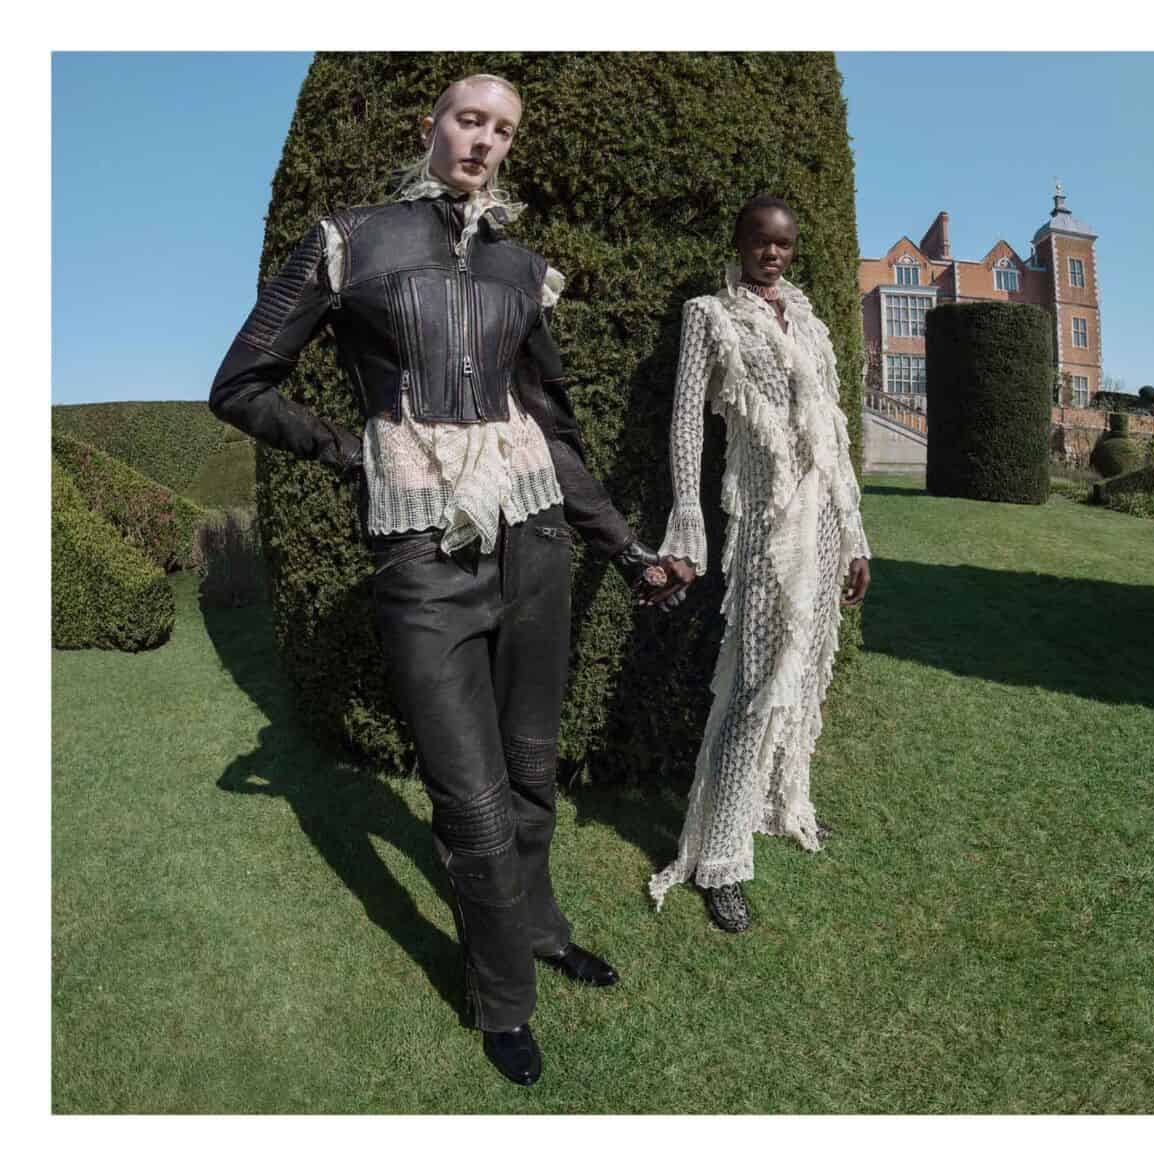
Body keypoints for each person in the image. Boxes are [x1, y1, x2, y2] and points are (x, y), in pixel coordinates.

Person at [209, 74, 683, 1087]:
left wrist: (626, 548)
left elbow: (553, 431)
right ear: (432, 123)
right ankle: (502, 998)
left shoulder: (520, 268)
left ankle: (540, 927)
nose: (483, 142)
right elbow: (239, 384)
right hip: (422, 558)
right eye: (470, 120)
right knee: (470, 800)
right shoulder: (349, 241)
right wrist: (355, 452)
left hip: (534, 538)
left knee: (531, 768)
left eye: (502, 130)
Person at [648, 195, 873, 932]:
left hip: (823, 519)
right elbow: (687, 423)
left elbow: (832, 433)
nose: (772, 254)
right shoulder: (710, 315)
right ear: (740, 242)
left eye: (783, 244)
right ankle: (719, 857)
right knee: (752, 684)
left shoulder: (808, 318)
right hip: (763, 522)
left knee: (803, 673)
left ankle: (781, 804)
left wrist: (855, 534)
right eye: (760, 241)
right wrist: (688, 515)